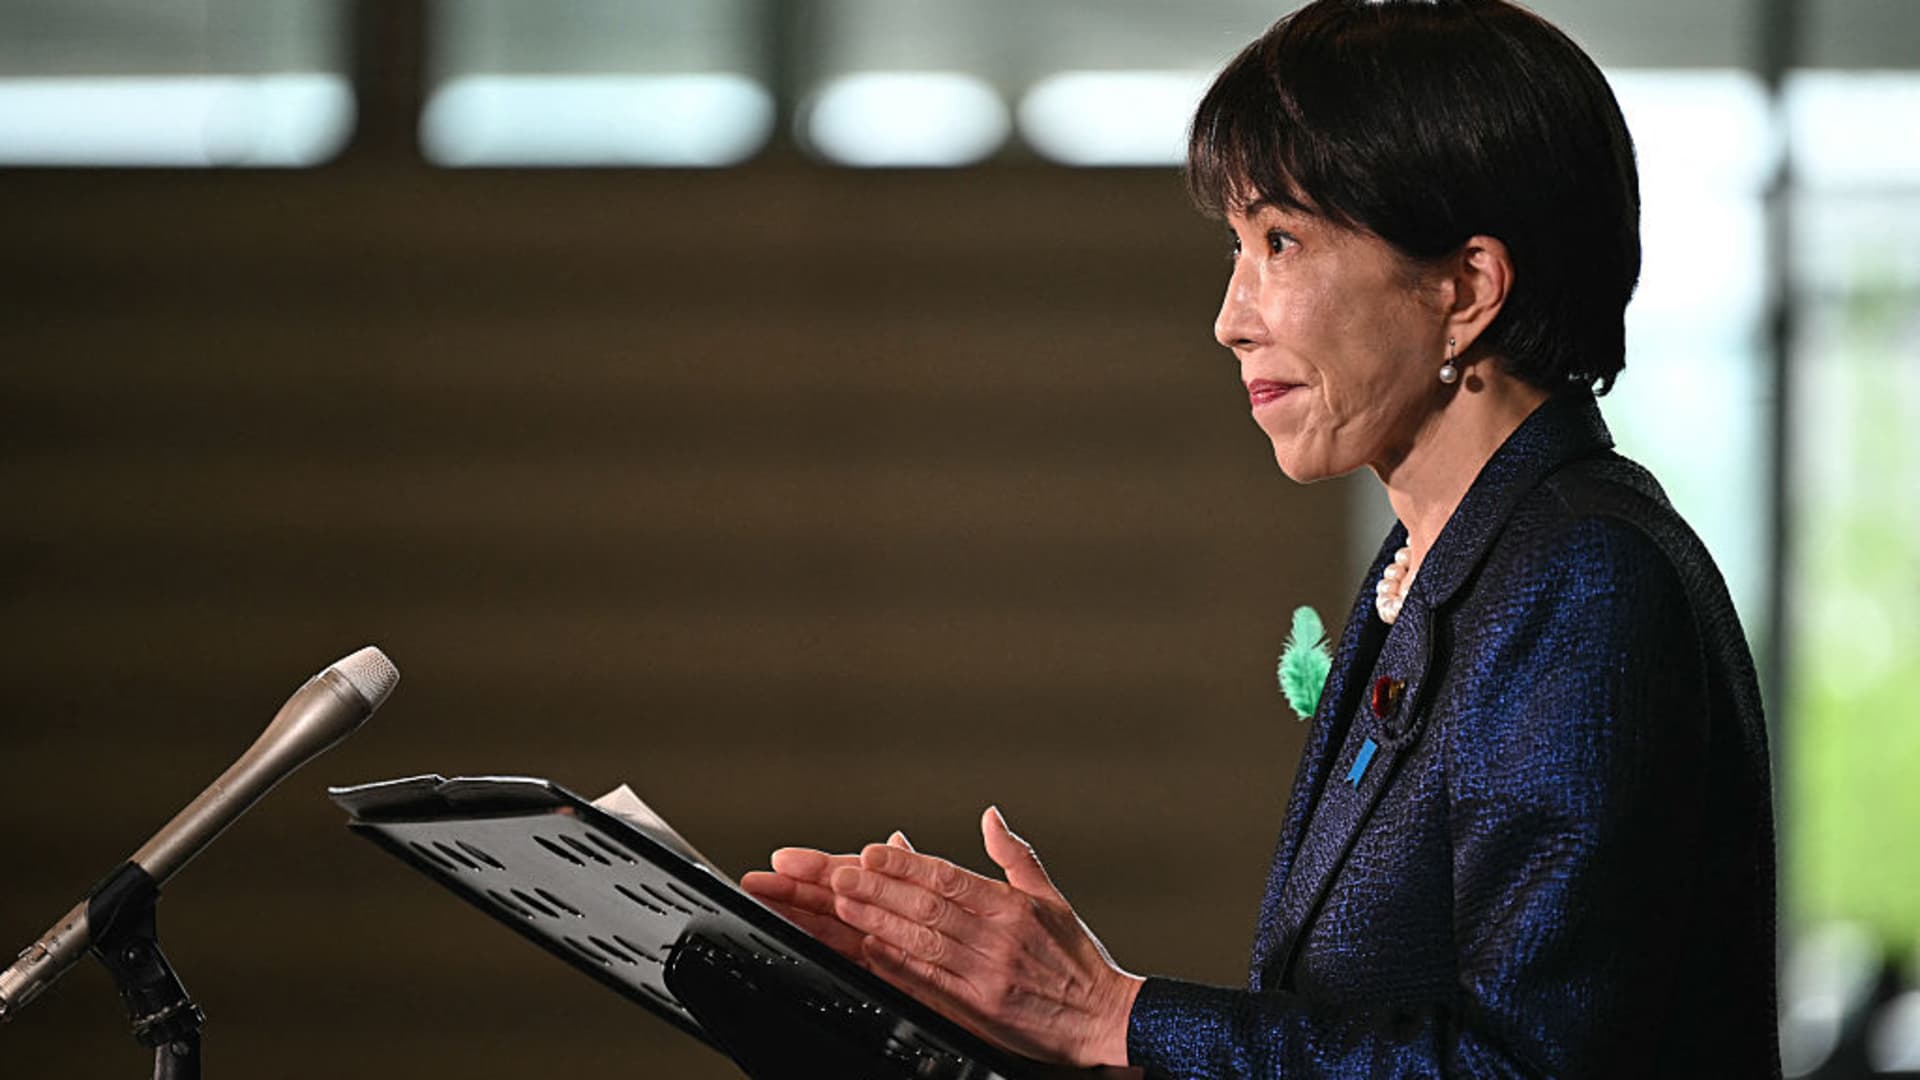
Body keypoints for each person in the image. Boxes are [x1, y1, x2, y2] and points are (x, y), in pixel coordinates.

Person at [742, 0, 1781, 1075]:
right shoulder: (1443, 564)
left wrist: (1113, 1016)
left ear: (1465, 288)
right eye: (1237, 246)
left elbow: (1526, 1068)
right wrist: (1054, 1032)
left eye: (1280, 242)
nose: (1231, 317)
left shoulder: (1582, 576)